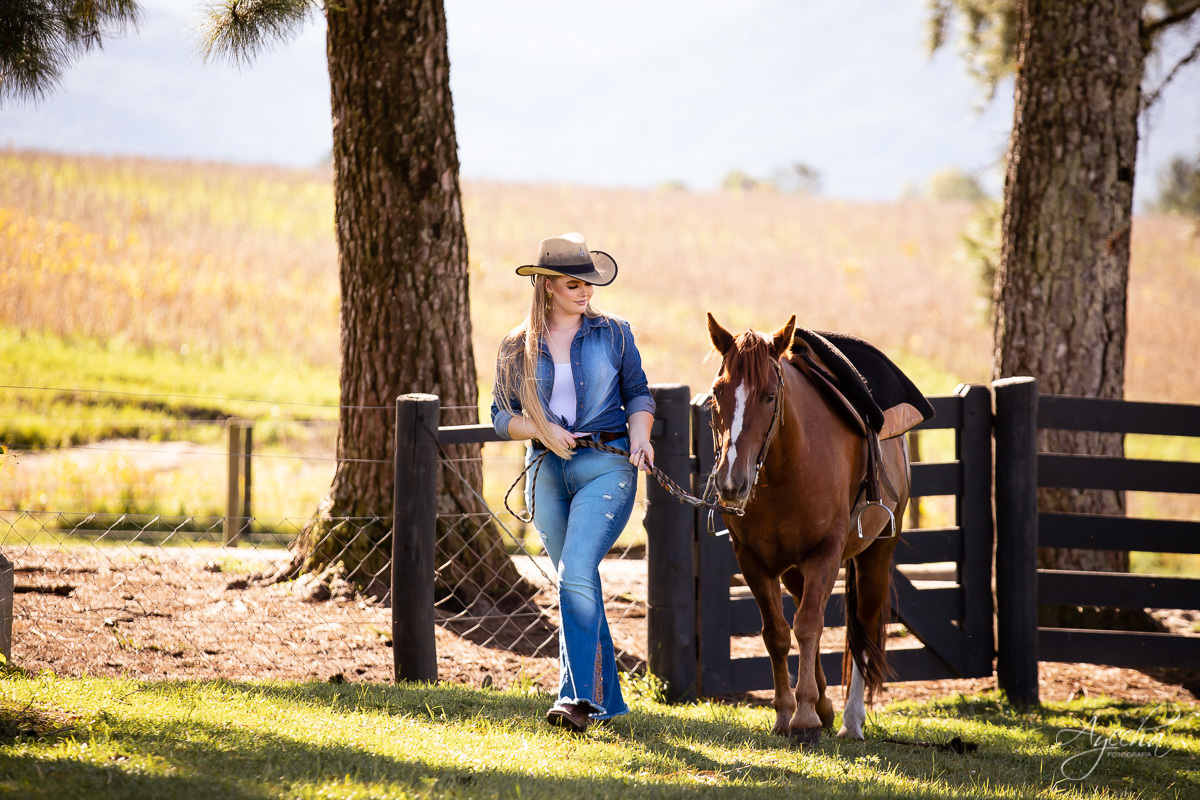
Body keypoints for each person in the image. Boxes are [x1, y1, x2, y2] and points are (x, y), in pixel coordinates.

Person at [491, 232, 656, 732]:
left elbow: (639, 394)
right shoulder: (516, 346)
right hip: (545, 470)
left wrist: (641, 439)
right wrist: (542, 428)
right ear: (546, 288)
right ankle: (607, 701)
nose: (585, 292)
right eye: (572, 284)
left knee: (575, 571)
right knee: (574, 580)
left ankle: (577, 700)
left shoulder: (615, 333)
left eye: (589, 283)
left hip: (606, 464)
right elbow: (501, 415)